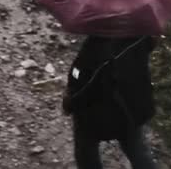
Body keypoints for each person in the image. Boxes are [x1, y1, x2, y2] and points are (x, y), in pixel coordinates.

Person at [62, 35, 159, 169]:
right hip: (133, 106)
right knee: (137, 149)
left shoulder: (95, 49)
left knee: (85, 151)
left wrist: (69, 103)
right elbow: (149, 45)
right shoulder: (138, 34)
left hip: (101, 115)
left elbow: (85, 88)